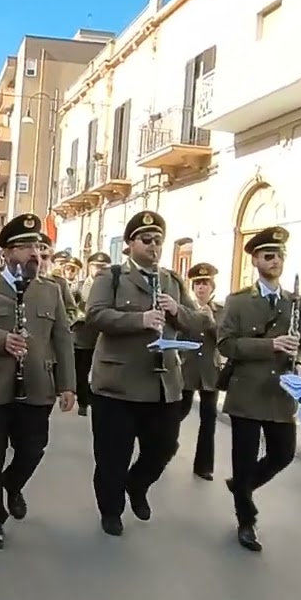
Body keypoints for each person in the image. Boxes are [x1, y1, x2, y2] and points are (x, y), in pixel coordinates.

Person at [85, 211, 209, 536]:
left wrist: (176, 310)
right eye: (146, 240)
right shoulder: (111, 277)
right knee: (113, 455)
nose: (154, 246)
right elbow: (95, 315)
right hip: (118, 383)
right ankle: (111, 510)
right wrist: (138, 321)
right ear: (130, 244)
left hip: (162, 382)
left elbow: (199, 324)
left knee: (164, 446)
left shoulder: (171, 280)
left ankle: (137, 485)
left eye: (158, 240)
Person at [0, 212, 76, 550]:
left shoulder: (52, 289)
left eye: (37, 246)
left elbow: (63, 338)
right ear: (7, 253)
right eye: (25, 247)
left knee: (33, 449)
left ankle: (13, 483)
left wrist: (68, 385)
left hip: (38, 386)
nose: (34, 254)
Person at [217, 226, 301, 552]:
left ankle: (241, 487)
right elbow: (226, 344)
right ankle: (246, 520)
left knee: (283, 453)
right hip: (248, 390)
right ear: (255, 259)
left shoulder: (295, 302)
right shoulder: (238, 301)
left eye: (280, 255)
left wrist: (299, 364)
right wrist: (270, 345)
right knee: (243, 458)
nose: (275, 261)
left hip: (280, 392)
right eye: (269, 255)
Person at [179, 262, 224, 481]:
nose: (201, 288)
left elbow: (225, 340)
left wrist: (212, 321)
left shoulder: (221, 310)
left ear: (212, 287)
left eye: (205, 284)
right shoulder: (185, 308)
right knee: (179, 412)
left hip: (209, 370)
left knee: (209, 418)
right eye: (197, 284)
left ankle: (204, 465)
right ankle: (162, 448)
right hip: (187, 367)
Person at [72, 252, 110, 416]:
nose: (99, 269)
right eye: (96, 266)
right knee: (82, 370)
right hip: (82, 335)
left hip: (103, 336)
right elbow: (70, 307)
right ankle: (83, 401)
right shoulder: (79, 286)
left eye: (103, 267)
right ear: (89, 267)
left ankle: (96, 399)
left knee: (101, 371)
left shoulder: (111, 286)